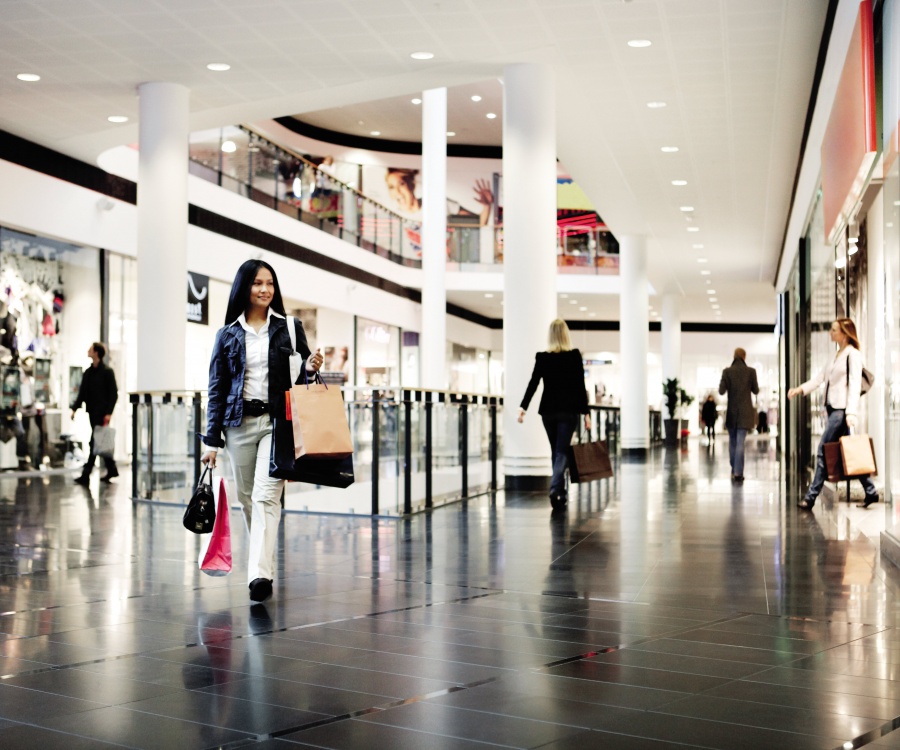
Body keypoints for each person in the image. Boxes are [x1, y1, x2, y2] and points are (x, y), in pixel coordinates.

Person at [200, 260, 323, 603]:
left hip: (276, 424)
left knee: (265, 495)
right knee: (247, 500)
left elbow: (301, 382)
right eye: (257, 283)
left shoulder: (289, 327)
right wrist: (211, 441)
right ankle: (263, 561)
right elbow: (217, 389)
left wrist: (310, 369)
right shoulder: (226, 335)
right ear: (245, 287)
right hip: (238, 426)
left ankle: (259, 575)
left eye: (270, 283)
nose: (265, 289)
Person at [788, 317, 878, 510]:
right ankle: (871, 492)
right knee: (849, 451)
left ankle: (810, 497)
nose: (831, 332)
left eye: (834, 329)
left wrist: (851, 412)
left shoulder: (852, 355)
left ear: (845, 333)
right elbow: (820, 379)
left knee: (822, 450)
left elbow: (854, 384)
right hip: (832, 409)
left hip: (841, 410)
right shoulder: (836, 355)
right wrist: (799, 389)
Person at [517, 319, 590, 510]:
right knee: (561, 451)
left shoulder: (543, 358)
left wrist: (523, 407)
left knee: (557, 451)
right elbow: (580, 387)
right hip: (568, 411)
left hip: (548, 411)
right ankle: (555, 487)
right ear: (566, 334)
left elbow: (533, 383)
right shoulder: (574, 356)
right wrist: (586, 413)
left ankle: (560, 493)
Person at [71, 342, 118, 484]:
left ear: (96, 353)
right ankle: (112, 468)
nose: (88, 351)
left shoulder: (107, 372)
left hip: (102, 414)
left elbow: (113, 394)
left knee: (95, 442)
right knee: (99, 441)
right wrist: (74, 408)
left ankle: (86, 474)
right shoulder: (88, 373)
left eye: (91, 349)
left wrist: (109, 412)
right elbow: (83, 393)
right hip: (92, 413)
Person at [718, 347, 758, 483]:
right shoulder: (751, 372)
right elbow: (756, 390)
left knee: (733, 442)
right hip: (746, 412)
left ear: (734, 356)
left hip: (732, 412)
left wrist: (726, 381)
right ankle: (738, 472)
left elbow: (721, 391)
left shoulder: (727, 372)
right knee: (741, 441)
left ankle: (734, 468)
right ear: (744, 357)